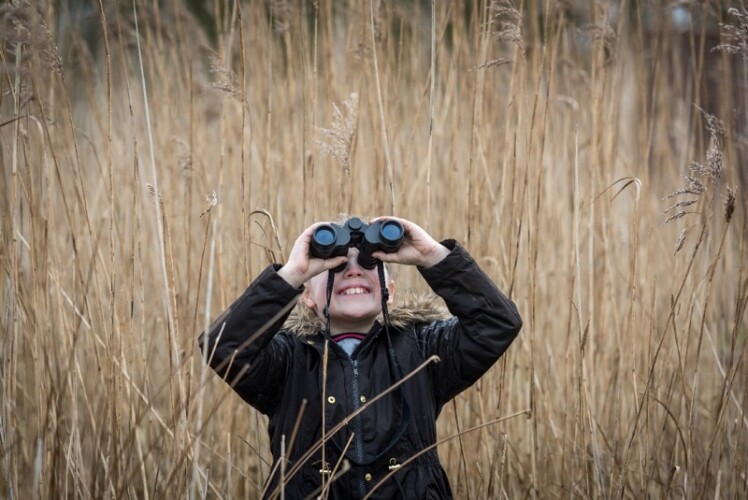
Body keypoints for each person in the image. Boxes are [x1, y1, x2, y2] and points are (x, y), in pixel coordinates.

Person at [199, 216, 522, 499]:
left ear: (390, 292)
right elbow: (222, 347)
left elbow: (497, 324)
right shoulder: (288, 359)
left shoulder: (423, 349)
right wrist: (292, 273)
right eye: (335, 265)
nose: (352, 271)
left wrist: (432, 256)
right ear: (307, 296)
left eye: (368, 263)